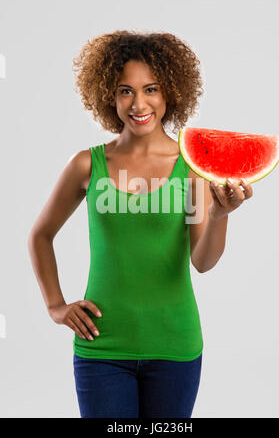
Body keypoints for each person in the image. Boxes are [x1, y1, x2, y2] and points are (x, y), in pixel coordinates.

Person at [27, 30, 253, 418]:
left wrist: (218, 215)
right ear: (108, 97)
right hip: (102, 349)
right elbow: (41, 235)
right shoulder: (86, 164)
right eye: (124, 91)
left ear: (170, 93)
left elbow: (202, 261)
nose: (139, 103)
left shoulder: (193, 168)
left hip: (175, 347)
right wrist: (55, 306)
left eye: (151, 89)